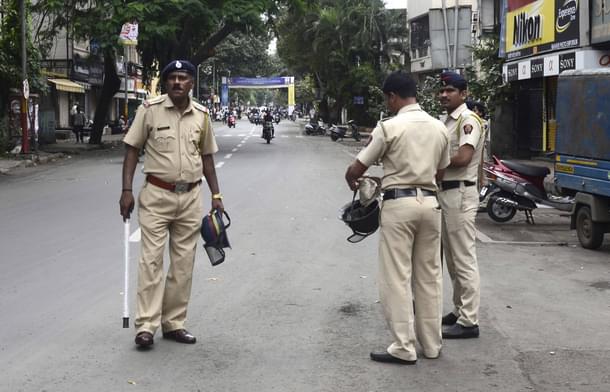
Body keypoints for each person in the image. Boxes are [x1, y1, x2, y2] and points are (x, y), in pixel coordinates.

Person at [345, 71, 450, 364]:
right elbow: (440, 172)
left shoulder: (389, 127)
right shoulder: (439, 128)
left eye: (386, 99)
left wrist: (355, 179)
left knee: (397, 277)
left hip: (398, 206)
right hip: (430, 205)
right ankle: (431, 345)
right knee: (430, 277)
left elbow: (357, 167)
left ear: (393, 96)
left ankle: (404, 347)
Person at [119, 59, 224, 348]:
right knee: (151, 261)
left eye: (183, 77)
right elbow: (131, 150)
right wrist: (126, 190)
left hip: (190, 198)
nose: (178, 82)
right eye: (173, 78)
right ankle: (146, 327)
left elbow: (207, 159)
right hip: (156, 196)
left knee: (183, 264)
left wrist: (216, 196)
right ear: (166, 83)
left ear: (192, 83)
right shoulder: (149, 111)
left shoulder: (202, 116)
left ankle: (174, 323)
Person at [437, 71, 485, 339]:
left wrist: (433, 162)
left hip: (460, 194)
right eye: (442, 91)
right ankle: (459, 310)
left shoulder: (468, 120)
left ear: (463, 94)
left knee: (463, 258)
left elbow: (464, 157)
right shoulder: (448, 121)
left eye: (450, 91)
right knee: (453, 260)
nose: (444, 95)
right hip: (448, 194)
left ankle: (469, 321)